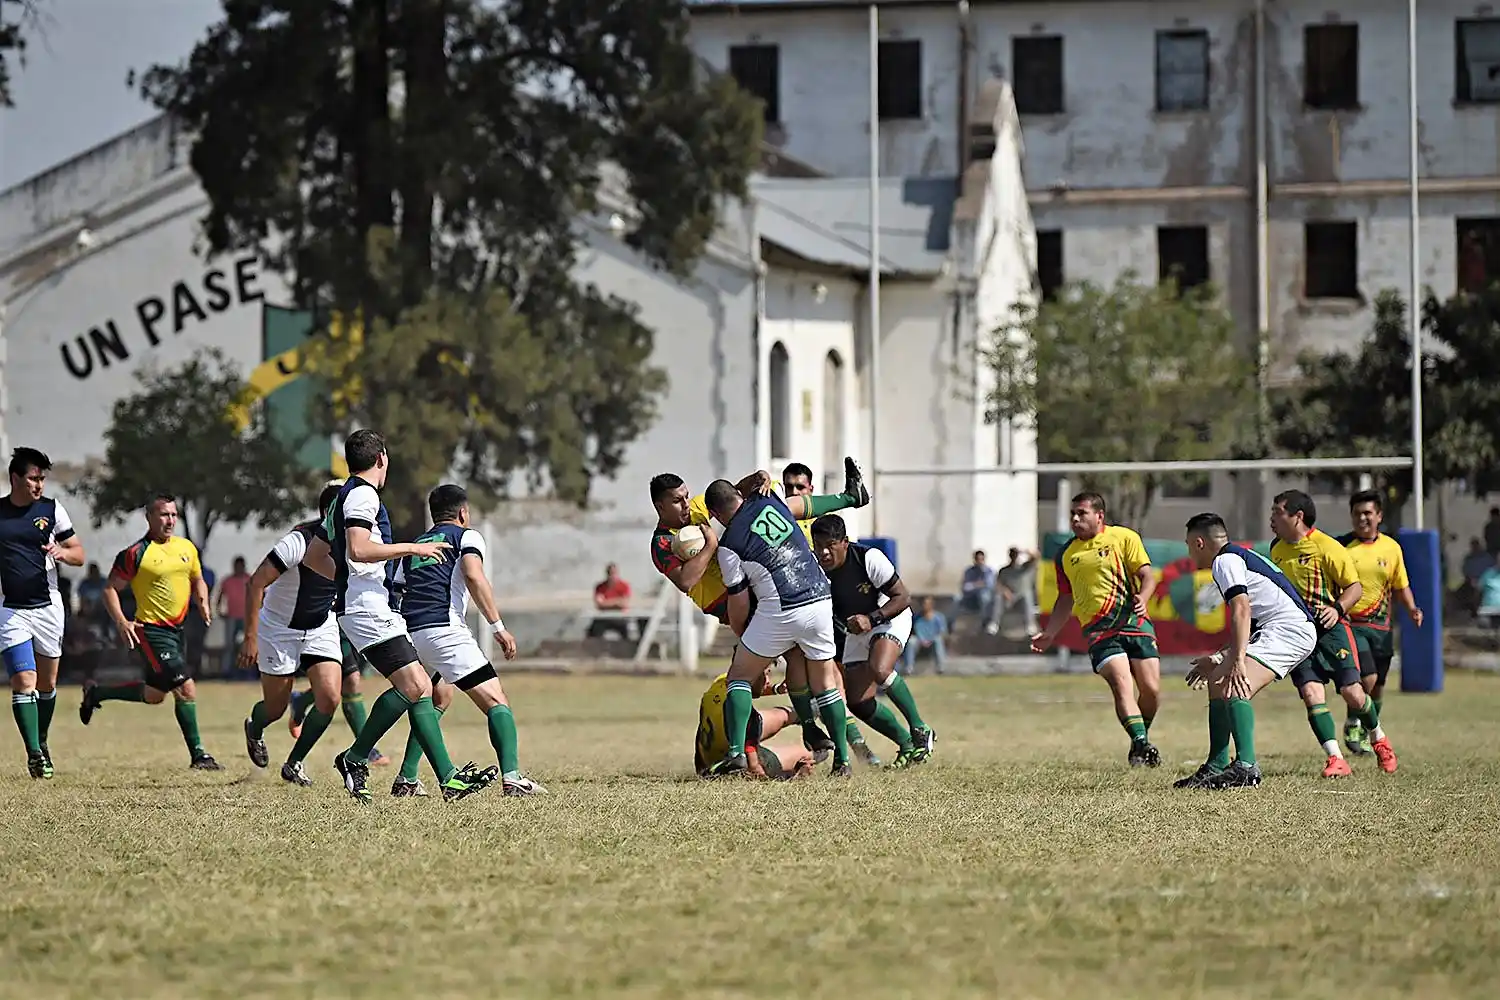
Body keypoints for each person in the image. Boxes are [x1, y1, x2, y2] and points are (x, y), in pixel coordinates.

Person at [649, 457, 869, 755]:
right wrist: (711, 547)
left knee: (802, 659)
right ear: (660, 507)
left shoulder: (698, 512)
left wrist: (759, 477)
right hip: (728, 604)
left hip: (759, 592)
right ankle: (820, 739)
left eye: (687, 496)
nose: (686, 504)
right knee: (791, 665)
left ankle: (817, 737)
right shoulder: (661, 544)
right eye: (677, 501)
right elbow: (687, 580)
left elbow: (733, 495)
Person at [324, 429, 492, 804]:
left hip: (367, 605)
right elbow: (358, 549)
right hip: (365, 607)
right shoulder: (364, 494)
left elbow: (324, 553)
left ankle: (446, 778)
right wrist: (410, 548)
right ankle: (354, 758)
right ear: (381, 458)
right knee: (417, 685)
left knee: (420, 688)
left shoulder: (342, 498)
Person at [388, 484, 543, 797]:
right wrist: (497, 626)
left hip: (412, 632)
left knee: (437, 698)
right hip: (445, 631)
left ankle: (406, 778)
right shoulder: (466, 535)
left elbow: (397, 589)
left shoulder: (416, 545)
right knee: (496, 700)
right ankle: (512, 778)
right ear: (463, 512)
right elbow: (473, 574)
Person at [701, 479, 849, 777]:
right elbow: (805, 505)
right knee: (825, 685)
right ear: (739, 495)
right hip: (820, 599)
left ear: (716, 515)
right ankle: (842, 762)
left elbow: (739, 600)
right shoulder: (771, 499)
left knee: (739, 677)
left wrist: (743, 634)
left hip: (783, 606)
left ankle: (736, 754)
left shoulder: (729, 545)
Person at [1175, 513, 1318, 789]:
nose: (1189, 552)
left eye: (1188, 544)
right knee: (1218, 679)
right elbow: (1250, 620)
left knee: (1234, 682)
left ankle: (1246, 768)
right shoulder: (1236, 556)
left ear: (1199, 542)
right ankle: (1216, 764)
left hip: (1289, 630)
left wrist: (1237, 660)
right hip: (1281, 628)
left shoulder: (1224, 561)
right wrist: (1221, 658)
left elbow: (1242, 609)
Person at [80, 494, 221, 770]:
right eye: (163, 515)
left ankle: (96, 693)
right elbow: (110, 590)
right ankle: (200, 756)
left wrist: (203, 600)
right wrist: (122, 622)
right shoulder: (135, 554)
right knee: (185, 688)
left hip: (177, 630)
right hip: (152, 632)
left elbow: (197, 577)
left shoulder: (186, 547)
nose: (169, 520)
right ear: (149, 518)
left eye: (173, 515)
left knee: (155, 695)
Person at [1030, 492, 1163, 767]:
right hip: (1099, 631)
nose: (1075, 519)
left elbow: (1147, 576)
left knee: (1151, 690)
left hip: (1134, 623)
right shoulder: (1066, 553)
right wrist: (1050, 633)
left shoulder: (1124, 538)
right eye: (1072, 515)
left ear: (1099, 516)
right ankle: (1141, 743)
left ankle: (1140, 738)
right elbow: (1065, 598)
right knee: (1121, 683)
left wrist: (1144, 598)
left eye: (1082, 513)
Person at [1268, 490, 1395, 777]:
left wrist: (1337, 609)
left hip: (1332, 630)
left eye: (1277, 512)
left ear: (1297, 517)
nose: (1271, 518)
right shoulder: (1276, 548)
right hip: (1298, 635)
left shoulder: (1327, 547)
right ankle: (1336, 759)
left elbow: (1354, 588)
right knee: (1312, 693)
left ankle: (1378, 738)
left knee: (1352, 691)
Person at [238, 482, 345, 787]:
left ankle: (294, 763)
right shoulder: (299, 541)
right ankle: (254, 727)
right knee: (275, 708)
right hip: (278, 629)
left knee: (329, 698)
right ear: (329, 513)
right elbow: (255, 583)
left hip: (320, 627)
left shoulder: (355, 541)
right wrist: (250, 636)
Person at [811, 514, 931, 765]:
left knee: (880, 669)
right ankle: (906, 744)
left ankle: (920, 730)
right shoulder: (813, 568)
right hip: (856, 628)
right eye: (817, 544)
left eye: (829, 545)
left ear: (844, 542)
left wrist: (872, 619)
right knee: (857, 700)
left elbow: (902, 597)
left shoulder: (868, 558)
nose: (823, 552)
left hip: (888, 616)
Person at [780, 461, 878, 765]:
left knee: (831, 682)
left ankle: (839, 747)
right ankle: (848, 749)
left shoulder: (823, 524)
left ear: (811, 491)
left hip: (830, 612)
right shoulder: (782, 522)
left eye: (800, 487)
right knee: (821, 680)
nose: (794, 492)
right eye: (789, 487)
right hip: (798, 611)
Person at [0, 447, 85, 778]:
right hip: (11, 610)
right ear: (15, 478)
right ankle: (34, 752)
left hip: (49, 606)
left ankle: (43, 740)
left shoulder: (52, 510)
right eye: (33, 478)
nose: (39, 485)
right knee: (24, 682)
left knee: (47, 685)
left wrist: (61, 553)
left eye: (42, 479)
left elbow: (79, 553)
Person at [1338, 490, 1423, 755]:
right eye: (1357, 514)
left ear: (1379, 516)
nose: (1362, 518)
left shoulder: (1391, 547)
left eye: (1367, 513)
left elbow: (1401, 584)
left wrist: (1412, 609)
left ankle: (1368, 728)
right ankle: (1354, 721)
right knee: (1368, 677)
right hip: (1352, 625)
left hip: (1382, 628)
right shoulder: (1341, 547)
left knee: (1379, 687)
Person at [695, 663, 817, 779]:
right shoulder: (744, 718)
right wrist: (790, 776)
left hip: (710, 759)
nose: (768, 680)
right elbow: (755, 772)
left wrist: (776, 689)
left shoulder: (721, 683)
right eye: (767, 673)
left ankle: (811, 711)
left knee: (781, 716)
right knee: (806, 751)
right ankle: (817, 740)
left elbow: (751, 687)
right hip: (730, 764)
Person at [285, 639, 392, 767]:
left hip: (344, 627)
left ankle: (301, 700)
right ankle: (367, 749)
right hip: (322, 629)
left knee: (347, 680)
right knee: (345, 680)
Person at [216, 556, 252, 676]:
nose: (238, 569)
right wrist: (219, 611)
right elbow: (220, 597)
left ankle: (248, 671)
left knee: (247, 644)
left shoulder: (250, 579)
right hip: (232, 617)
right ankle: (227, 671)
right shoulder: (227, 581)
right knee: (229, 646)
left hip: (247, 617)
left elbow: (260, 595)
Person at [997, 547, 1041, 635]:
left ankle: (1030, 625)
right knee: (997, 597)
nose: (1014, 557)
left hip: (1022, 599)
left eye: (1016, 555)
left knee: (1027, 595)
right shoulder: (1004, 570)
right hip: (1010, 599)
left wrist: (1024, 551)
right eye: (1012, 555)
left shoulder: (1025, 568)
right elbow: (998, 584)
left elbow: (1036, 556)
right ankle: (994, 624)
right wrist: (1005, 591)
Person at [954, 550, 997, 634]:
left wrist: (974, 585)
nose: (979, 561)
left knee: (984, 596)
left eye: (981, 559)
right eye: (977, 559)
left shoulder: (988, 571)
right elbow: (965, 586)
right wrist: (977, 584)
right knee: (956, 598)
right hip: (970, 596)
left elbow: (989, 585)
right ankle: (950, 624)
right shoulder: (969, 571)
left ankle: (985, 622)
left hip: (983, 595)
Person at [904, 596, 948, 674]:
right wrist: (922, 640)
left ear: (931, 605)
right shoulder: (916, 617)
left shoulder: (939, 617)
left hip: (933, 640)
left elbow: (942, 632)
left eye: (926, 604)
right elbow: (914, 631)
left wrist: (931, 639)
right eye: (923, 604)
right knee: (911, 641)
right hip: (920, 641)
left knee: (938, 640)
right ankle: (909, 667)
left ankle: (940, 667)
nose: (924, 606)